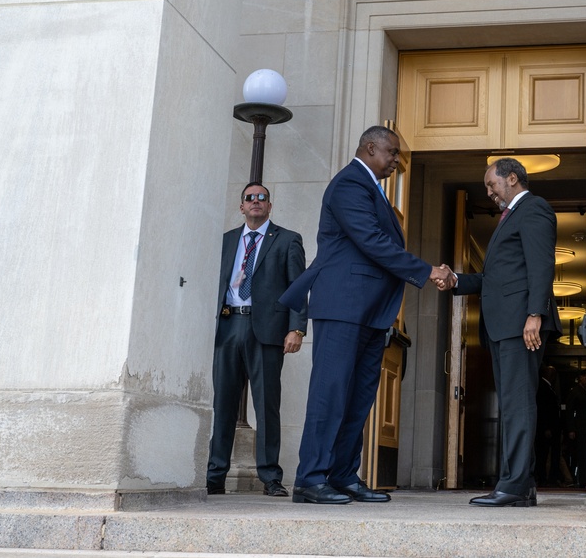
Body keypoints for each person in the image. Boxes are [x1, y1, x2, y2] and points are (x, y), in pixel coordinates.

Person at [279, 126, 454, 505]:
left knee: (358, 399)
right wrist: (427, 271)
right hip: (343, 307)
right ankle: (310, 478)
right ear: (370, 147)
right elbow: (371, 241)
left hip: (372, 313)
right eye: (391, 153)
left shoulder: (373, 187)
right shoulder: (349, 185)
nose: (395, 160)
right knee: (330, 395)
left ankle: (342, 475)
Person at [451, 158, 561, 507]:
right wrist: (455, 280)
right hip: (504, 326)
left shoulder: (534, 208)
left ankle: (513, 486)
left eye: (492, 184)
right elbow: (495, 279)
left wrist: (535, 314)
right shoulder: (510, 217)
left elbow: (542, 264)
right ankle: (520, 485)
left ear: (512, 178)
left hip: (521, 325)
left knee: (517, 405)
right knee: (513, 404)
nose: (488, 192)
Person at [207, 182, 307, 498]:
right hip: (228, 326)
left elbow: (297, 288)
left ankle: (270, 477)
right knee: (222, 404)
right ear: (241, 206)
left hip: (266, 330)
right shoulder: (225, 241)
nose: (256, 202)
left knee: (266, 405)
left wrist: (297, 328)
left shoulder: (288, 240)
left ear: (270, 206)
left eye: (262, 198)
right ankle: (214, 475)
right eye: (250, 198)